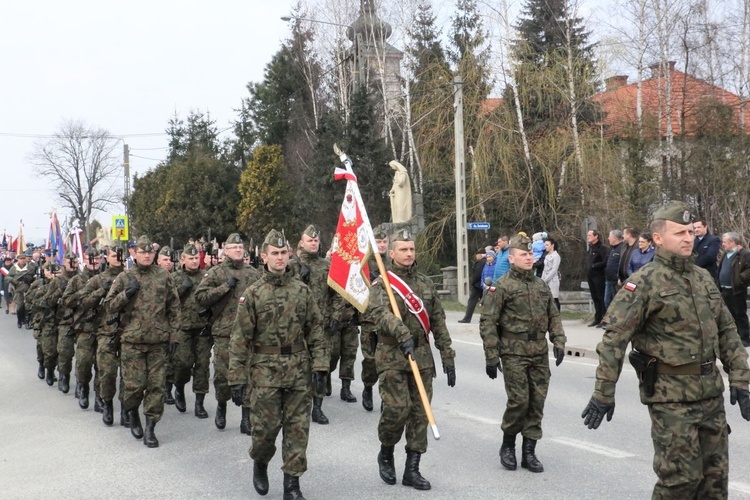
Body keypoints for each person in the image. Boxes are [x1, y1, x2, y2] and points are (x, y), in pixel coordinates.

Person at [581, 201, 750, 499]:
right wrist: (603, 392)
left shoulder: (702, 279)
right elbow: (614, 340)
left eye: (689, 231)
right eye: (679, 233)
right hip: (670, 398)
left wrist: (740, 380)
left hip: (710, 395)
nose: (688, 238)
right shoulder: (644, 282)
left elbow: (727, 331)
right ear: (658, 238)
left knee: (715, 481)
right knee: (679, 482)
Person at [228, 229, 329, 500]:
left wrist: (320, 367)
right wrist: (236, 377)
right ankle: (260, 463)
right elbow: (240, 339)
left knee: (298, 430)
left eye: (284, 253)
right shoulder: (253, 294)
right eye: (275, 253)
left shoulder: (301, 291)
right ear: (264, 257)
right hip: (264, 372)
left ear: (290, 255)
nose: (281, 258)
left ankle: (292, 485)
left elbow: (316, 331)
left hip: (298, 369)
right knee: (264, 431)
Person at [363, 229, 456, 491]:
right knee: (396, 409)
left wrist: (447, 355)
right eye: (403, 249)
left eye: (412, 249)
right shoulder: (382, 284)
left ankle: (412, 469)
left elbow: (438, 321)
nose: (409, 254)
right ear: (391, 253)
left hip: (422, 356)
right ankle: (386, 453)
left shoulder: (426, 284)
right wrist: (401, 332)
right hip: (392, 354)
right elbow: (379, 314)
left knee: (419, 413)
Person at [480, 234, 566, 473]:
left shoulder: (540, 285)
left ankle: (529, 451)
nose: (529, 258)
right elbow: (488, 322)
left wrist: (558, 341)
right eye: (524, 255)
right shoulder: (502, 286)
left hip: (539, 352)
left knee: (537, 402)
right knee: (519, 401)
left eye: (530, 254)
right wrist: (491, 355)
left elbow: (553, 316)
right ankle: (508, 445)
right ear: (512, 258)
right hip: (513, 352)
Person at [104, 235, 181, 448]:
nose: (146, 255)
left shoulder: (164, 276)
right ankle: (133, 414)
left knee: (156, 387)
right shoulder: (124, 277)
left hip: (158, 341)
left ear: (154, 254)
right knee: (133, 386)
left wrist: (174, 335)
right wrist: (126, 295)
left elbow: (174, 307)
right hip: (132, 342)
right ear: (134, 253)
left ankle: (150, 427)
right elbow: (109, 306)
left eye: (150, 252)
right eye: (142, 252)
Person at [195, 233, 261, 433]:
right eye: (234, 248)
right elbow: (200, 297)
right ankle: (221, 405)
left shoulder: (253, 273)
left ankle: (246, 417)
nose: (238, 251)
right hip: (224, 332)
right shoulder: (216, 272)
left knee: (249, 374)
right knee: (224, 376)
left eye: (240, 248)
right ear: (226, 251)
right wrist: (224, 287)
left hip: (248, 333)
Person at [290, 224, 336, 425]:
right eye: (310, 240)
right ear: (301, 243)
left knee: (321, 366)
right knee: (298, 367)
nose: (314, 243)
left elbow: (338, 294)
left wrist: (335, 315)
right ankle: (298, 403)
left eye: (316, 240)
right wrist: (299, 277)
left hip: (321, 326)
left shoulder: (327, 266)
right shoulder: (291, 265)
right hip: (297, 326)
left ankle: (317, 407)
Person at [78, 244, 127, 426]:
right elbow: (82, 302)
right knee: (107, 372)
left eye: (121, 256)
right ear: (107, 258)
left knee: (129, 375)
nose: (118, 259)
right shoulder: (99, 279)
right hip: (105, 332)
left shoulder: (132, 277)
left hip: (128, 332)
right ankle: (106, 402)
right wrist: (100, 291)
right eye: (115, 255)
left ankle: (126, 408)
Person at [173, 243, 213, 418]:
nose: (194, 261)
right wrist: (182, 289)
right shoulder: (174, 277)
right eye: (191, 258)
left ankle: (199, 403)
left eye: (197, 258)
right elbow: (166, 301)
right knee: (183, 363)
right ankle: (179, 387)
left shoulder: (207, 276)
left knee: (203, 365)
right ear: (183, 260)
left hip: (202, 327)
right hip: (182, 327)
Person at [65, 246, 101, 410]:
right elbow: (67, 301)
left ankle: (100, 396)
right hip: (85, 327)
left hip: (104, 328)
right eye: (91, 258)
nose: (95, 261)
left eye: (98, 257)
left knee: (103, 365)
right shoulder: (77, 280)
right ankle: (83, 386)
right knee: (84, 362)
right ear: (85, 260)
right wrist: (85, 294)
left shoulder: (107, 277)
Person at [361, 228, 390, 410]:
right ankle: (367, 386)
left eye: (384, 242)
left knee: (387, 361)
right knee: (370, 359)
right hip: (369, 319)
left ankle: (385, 397)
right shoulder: (365, 262)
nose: (382, 245)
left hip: (389, 320)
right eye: (378, 242)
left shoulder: (393, 263)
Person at [42, 251, 79, 393]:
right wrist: (59, 291)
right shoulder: (58, 281)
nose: (72, 264)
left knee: (85, 356)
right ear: (64, 262)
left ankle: (82, 381)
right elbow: (48, 301)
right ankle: (64, 376)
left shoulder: (82, 279)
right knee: (64, 352)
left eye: (75, 261)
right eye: (70, 261)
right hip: (64, 320)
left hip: (82, 321)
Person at [717, 232, 750, 347]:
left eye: (725, 242)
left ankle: (745, 338)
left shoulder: (744, 254)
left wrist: (740, 279)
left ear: (732, 242)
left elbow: (748, 270)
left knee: (740, 314)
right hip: (725, 289)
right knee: (728, 315)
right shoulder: (725, 254)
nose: (723, 244)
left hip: (737, 290)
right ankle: (733, 337)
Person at [585, 229, 609, 327]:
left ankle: (604, 318)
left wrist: (594, 266)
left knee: (600, 297)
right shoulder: (590, 248)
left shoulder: (602, 248)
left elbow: (605, 262)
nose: (588, 237)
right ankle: (597, 318)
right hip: (591, 276)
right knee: (595, 297)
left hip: (599, 276)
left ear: (596, 236)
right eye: (587, 236)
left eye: (590, 235)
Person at [458, 248, 486, 323]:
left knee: (471, 302)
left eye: (477, 255)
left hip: (478, 285)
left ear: (480, 255)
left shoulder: (481, 262)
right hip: (484, 285)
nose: (476, 257)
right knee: (484, 302)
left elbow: (477, 274)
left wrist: (473, 283)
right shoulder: (486, 261)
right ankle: (484, 319)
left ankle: (467, 318)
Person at [603, 230, 624, 312]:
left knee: (616, 303)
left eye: (610, 237)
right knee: (607, 301)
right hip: (609, 280)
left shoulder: (622, 248)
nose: (608, 238)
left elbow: (622, 264)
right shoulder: (612, 249)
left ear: (614, 238)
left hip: (617, 281)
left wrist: (619, 277)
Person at [541, 237, 561, 310]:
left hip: (553, 280)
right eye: (545, 245)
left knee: (554, 298)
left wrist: (545, 279)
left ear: (552, 245)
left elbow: (554, 270)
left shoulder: (556, 256)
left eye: (547, 245)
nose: (545, 247)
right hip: (545, 279)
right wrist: (542, 279)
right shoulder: (547, 256)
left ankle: (557, 314)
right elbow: (545, 268)